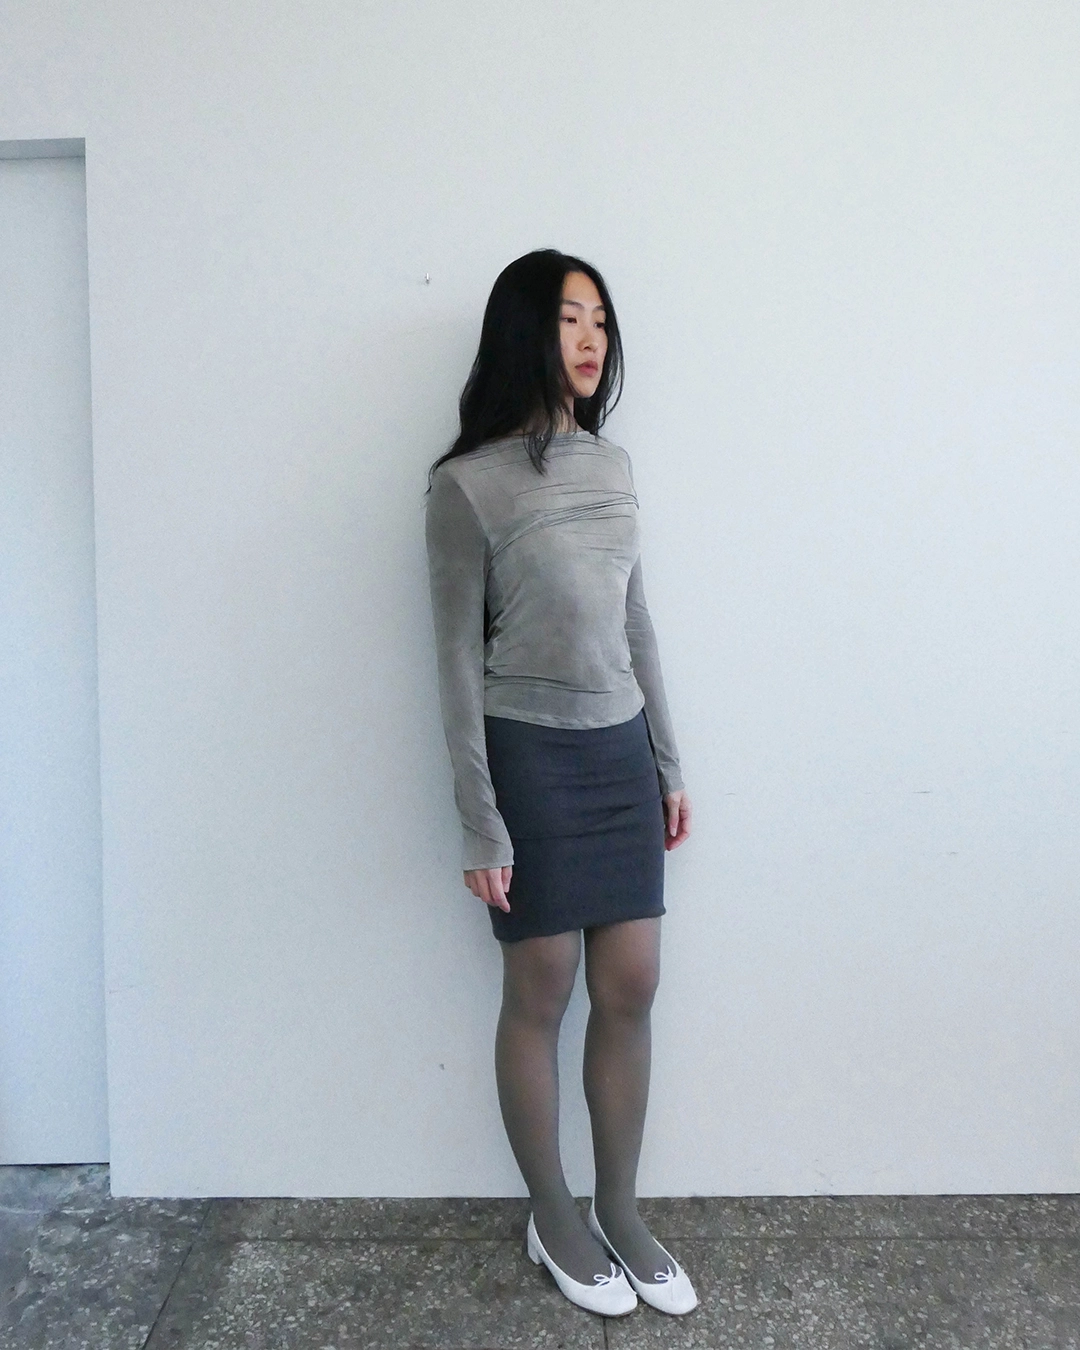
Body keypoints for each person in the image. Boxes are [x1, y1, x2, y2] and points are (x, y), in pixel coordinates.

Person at [424, 249, 696, 1318]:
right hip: (529, 755)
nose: (591, 340)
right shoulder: (466, 486)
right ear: (523, 333)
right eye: (569, 319)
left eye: (601, 322)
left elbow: (636, 621)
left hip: (619, 751)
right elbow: (455, 662)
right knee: (541, 989)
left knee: (632, 983)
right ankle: (553, 1214)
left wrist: (667, 760)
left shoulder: (613, 466)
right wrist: (479, 822)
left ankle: (618, 1207)